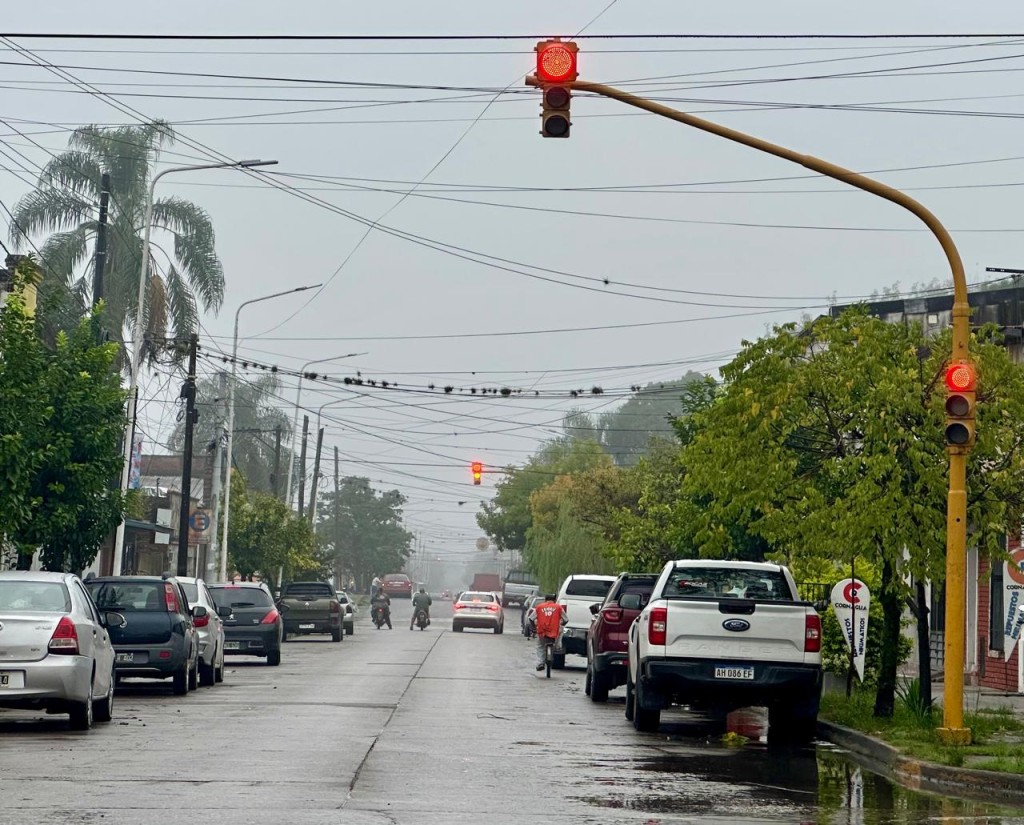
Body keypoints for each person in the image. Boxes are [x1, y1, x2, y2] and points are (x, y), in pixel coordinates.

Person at [533, 594, 567, 671]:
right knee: (557, 641)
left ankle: (540, 663)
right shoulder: (558, 607)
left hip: (542, 631)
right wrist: (561, 625)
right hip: (554, 632)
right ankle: (557, 647)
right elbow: (566, 619)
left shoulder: (539, 607)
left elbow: (531, 618)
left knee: (540, 646)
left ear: (545, 599)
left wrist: (533, 629)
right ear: (554, 600)